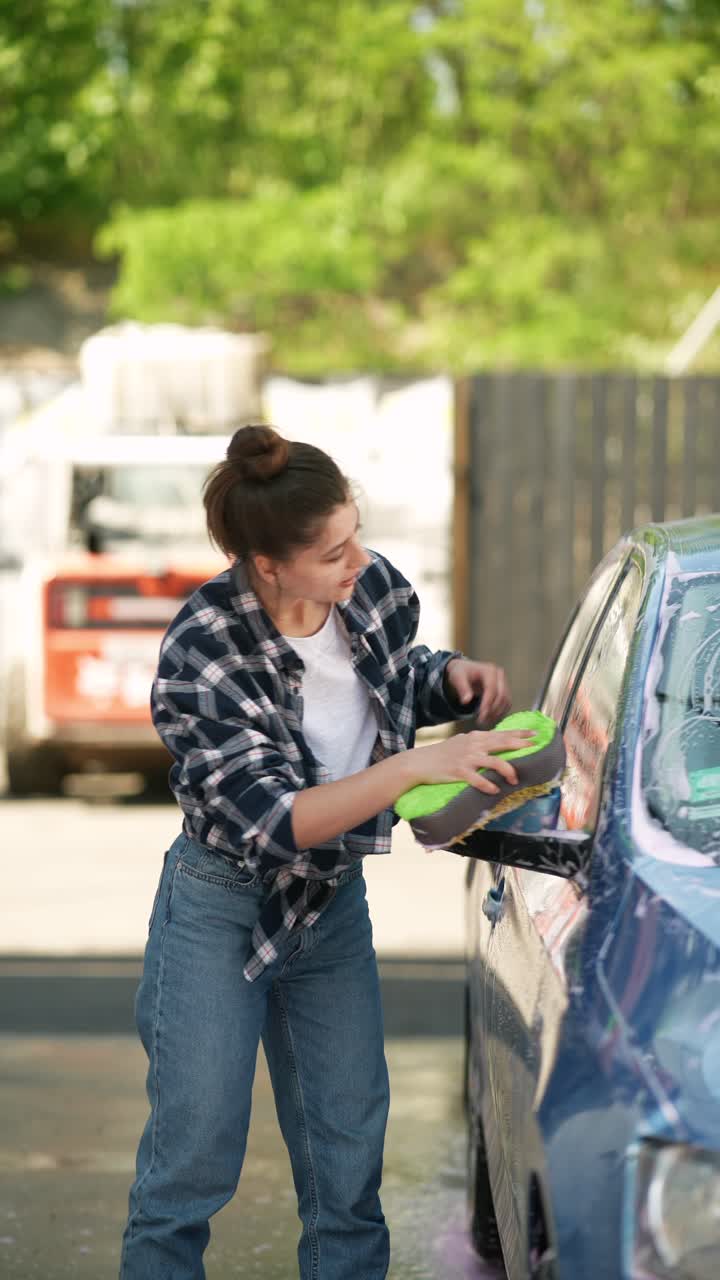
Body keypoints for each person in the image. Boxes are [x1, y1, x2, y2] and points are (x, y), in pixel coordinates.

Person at [119, 424, 534, 1280]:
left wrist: (447, 677)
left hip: (330, 905)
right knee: (189, 1165)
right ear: (268, 565)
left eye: (357, 534)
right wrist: (421, 765)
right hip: (220, 906)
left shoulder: (369, 588)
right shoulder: (204, 649)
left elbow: (384, 680)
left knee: (348, 1166)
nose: (359, 561)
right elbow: (275, 820)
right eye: (334, 552)